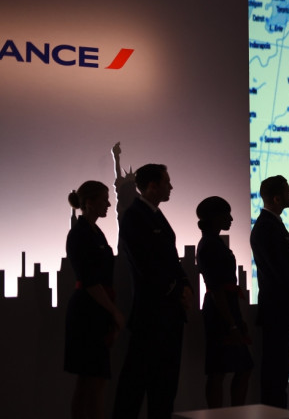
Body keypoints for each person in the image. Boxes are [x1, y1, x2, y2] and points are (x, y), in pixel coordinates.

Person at [113, 164, 193, 419]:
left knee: (164, 389)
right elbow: (144, 264)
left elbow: (171, 259)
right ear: (152, 186)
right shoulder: (134, 217)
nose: (171, 187)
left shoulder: (155, 215)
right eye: (166, 182)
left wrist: (185, 286)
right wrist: (175, 290)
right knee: (135, 388)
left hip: (168, 316)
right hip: (150, 317)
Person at [64, 180, 126, 419]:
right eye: (104, 199)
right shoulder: (79, 234)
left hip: (95, 311)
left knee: (92, 380)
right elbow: (89, 281)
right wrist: (114, 312)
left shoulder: (94, 232)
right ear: (89, 203)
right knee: (93, 380)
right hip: (87, 313)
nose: (108, 204)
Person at [250, 175, 289, 408]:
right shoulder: (267, 228)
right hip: (278, 310)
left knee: (278, 374)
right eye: (288, 191)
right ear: (276, 198)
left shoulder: (271, 225)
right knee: (275, 375)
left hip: (280, 309)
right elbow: (280, 269)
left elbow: (284, 268)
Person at [196, 196, 253, 408]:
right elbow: (217, 288)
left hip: (224, 310)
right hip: (221, 312)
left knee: (228, 369)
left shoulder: (211, 243)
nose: (230, 219)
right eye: (226, 214)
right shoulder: (210, 245)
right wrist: (232, 323)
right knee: (221, 370)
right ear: (215, 217)